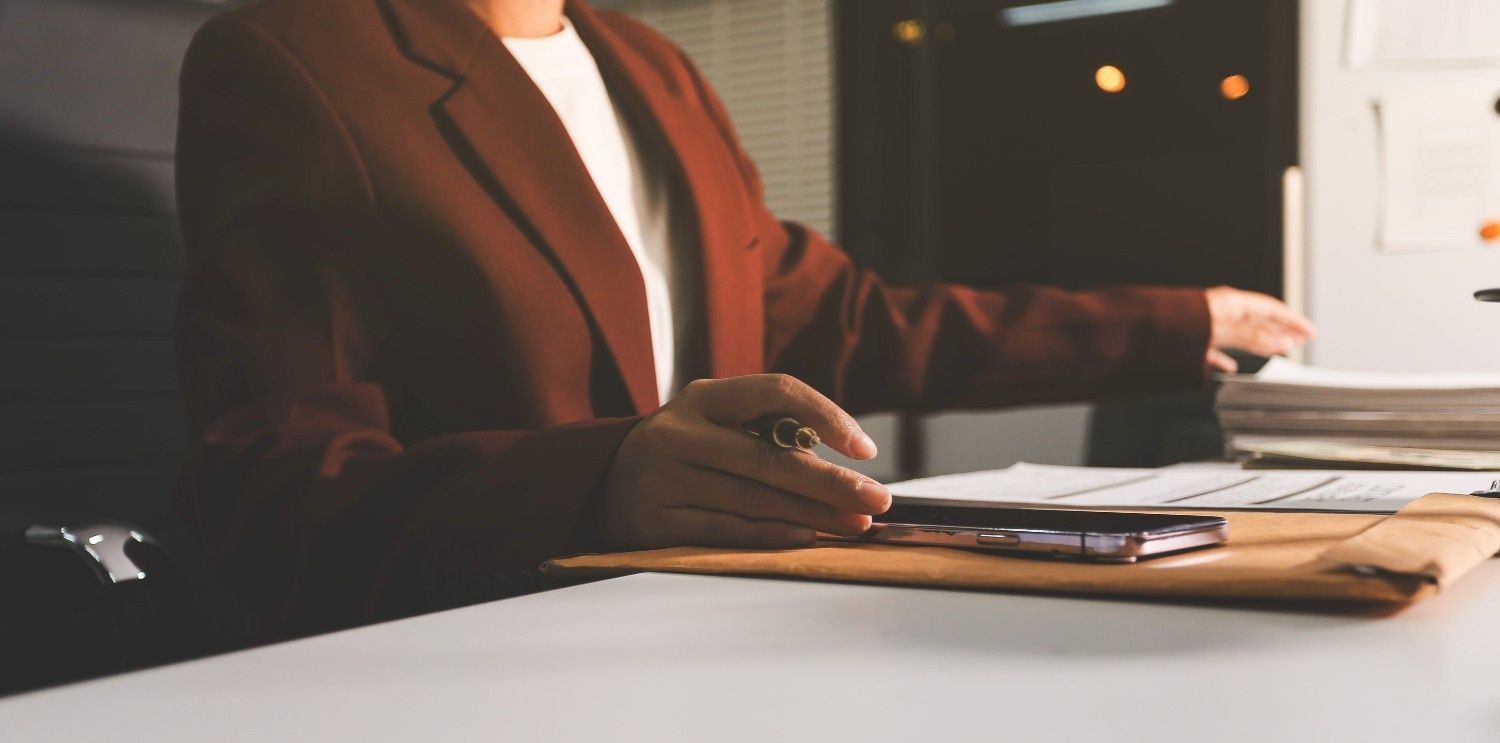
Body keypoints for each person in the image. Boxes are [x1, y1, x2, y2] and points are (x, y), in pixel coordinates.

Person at [173, 0, 1314, 635]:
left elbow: (841, 323)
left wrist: (1175, 323)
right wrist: (597, 478)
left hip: (718, 627)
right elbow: (277, 483)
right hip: (490, 646)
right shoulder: (300, 58)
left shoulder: (650, 65)